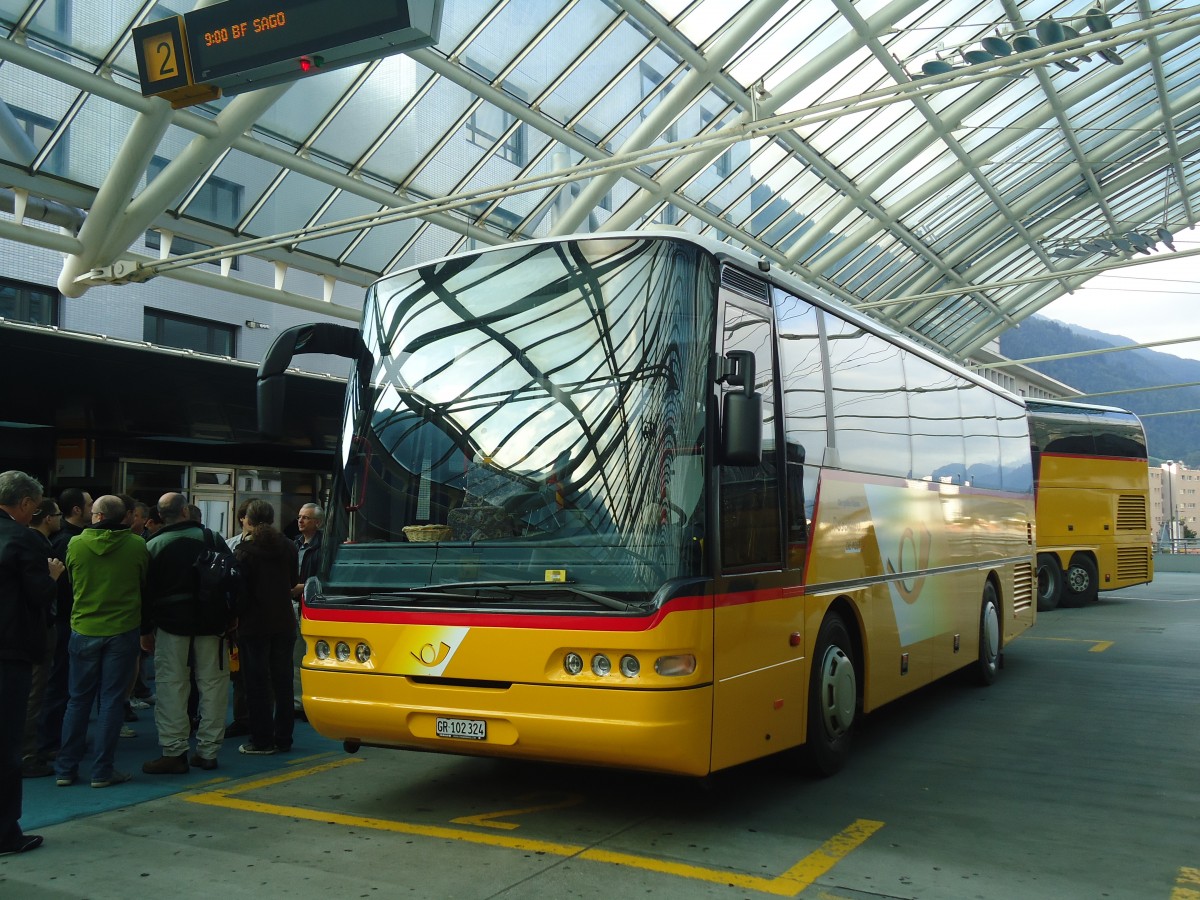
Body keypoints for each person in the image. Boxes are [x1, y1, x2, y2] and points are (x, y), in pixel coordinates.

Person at [55, 494, 146, 790]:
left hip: (83, 628)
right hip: (122, 629)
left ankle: (66, 768)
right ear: (126, 518)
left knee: (77, 701)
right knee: (110, 703)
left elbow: (70, 582)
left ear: (96, 515)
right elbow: (143, 582)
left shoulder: (75, 544)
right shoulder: (136, 545)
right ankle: (102, 771)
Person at [142, 492, 232, 774]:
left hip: (170, 625)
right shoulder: (213, 539)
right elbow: (233, 579)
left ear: (160, 516)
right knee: (214, 685)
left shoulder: (152, 545)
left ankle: (174, 751)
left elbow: (144, 592)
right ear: (185, 511)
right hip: (212, 623)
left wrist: (146, 629)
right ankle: (208, 751)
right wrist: (232, 618)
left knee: (171, 685)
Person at [0, 471, 63, 855]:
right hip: (10, 652)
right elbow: (39, 594)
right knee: (7, 744)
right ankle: (6, 832)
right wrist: (53, 575)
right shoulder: (24, 539)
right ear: (24, 503)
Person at [234, 500, 299, 754]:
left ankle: (261, 739)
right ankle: (284, 738)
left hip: (254, 623)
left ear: (248, 520)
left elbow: (240, 590)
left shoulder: (245, 550)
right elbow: (292, 581)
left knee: (257, 683)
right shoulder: (289, 546)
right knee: (283, 681)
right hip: (283, 620)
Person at [35, 487, 91, 761]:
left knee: (66, 685)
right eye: (89, 505)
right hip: (65, 620)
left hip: (67, 619)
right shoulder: (65, 542)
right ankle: (49, 741)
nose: (93, 510)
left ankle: (58, 738)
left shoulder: (67, 539)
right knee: (59, 684)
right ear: (77, 510)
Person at [21, 499, 61, 778]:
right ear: (47, 518)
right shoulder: (36, 545)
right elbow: (39, 592)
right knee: (34, 693)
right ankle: (27, 754)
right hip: (37, 627)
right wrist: (53, 577)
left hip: (25, 628)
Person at [292, 502, 324, 716]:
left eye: (306, 517)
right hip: (293, 604)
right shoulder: (294, 544)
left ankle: (315, 699)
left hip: (312, 605)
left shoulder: (325, 546)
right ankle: (297, 703)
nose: (301, 521)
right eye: (300, 517)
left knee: (311, 654)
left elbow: (326, 577)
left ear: (318, 523)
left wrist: (303, 588)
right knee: (295, 656)